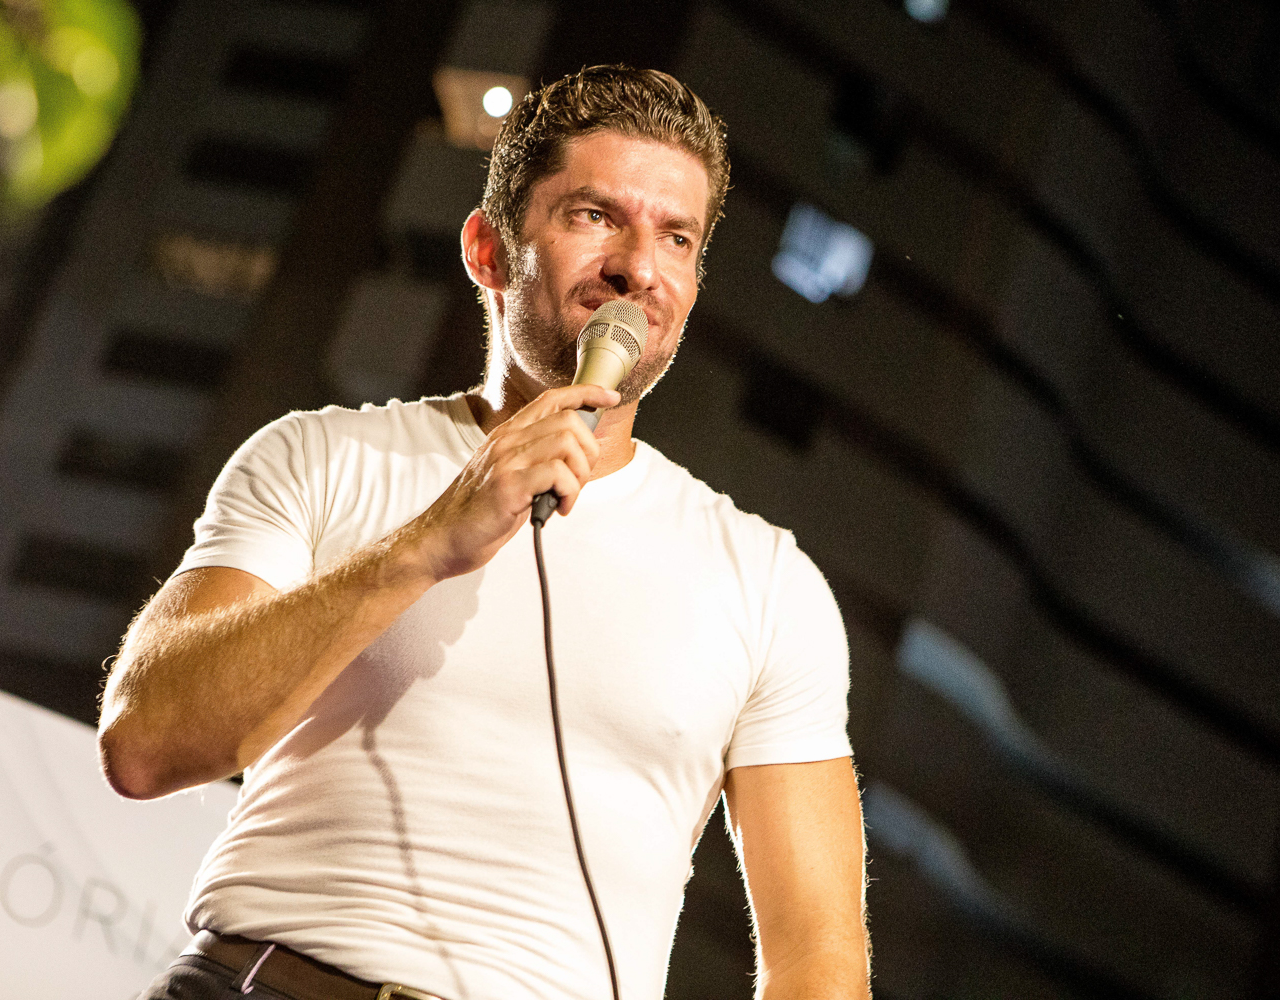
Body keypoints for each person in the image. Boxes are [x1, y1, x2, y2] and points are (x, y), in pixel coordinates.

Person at [100, 65, 869, 1000]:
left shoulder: (768, 580)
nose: (639, 267)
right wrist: (428, 540)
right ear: (488, 250)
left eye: (677, 236)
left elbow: (817, 955)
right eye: (596, 216)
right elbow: (146, 743)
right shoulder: (321, 455)